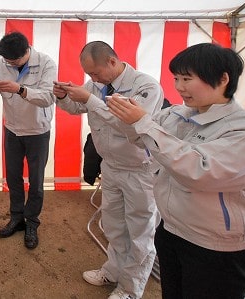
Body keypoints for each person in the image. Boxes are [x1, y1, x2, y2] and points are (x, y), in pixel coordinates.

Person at [106, 43, 245, 298]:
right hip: (170, 231)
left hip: (215, 248)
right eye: (176, 78)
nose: (179, 87)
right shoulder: (178, 114)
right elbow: (140, 138)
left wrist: (143, 122)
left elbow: (200, 171)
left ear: (223, 79)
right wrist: (127, 117)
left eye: (187, 78)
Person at [53, 41, 163, 299]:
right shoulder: (96, 86)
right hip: (111, 166)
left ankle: (130, 289)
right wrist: (63, 96)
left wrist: (90, 99)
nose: (92, 79)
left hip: (140, 170)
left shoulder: (145, 86)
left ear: (112, 62)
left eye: (95, 73)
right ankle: (113, 271)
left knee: (140, 232)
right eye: (89, 75)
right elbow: (76, 107)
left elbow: (131, 123)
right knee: (114, 225)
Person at [0, 31, 57, 249]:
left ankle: (32, 223)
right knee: (13, 177)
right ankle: (16, 218)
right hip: (12, 130)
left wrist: (20, 89)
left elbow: (48, 97)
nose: (9, 64)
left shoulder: (45, 63)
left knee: (36, 182)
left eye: (14, 61)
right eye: (7, 61)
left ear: (27, 51)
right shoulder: (1, 63)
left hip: (38, 132)